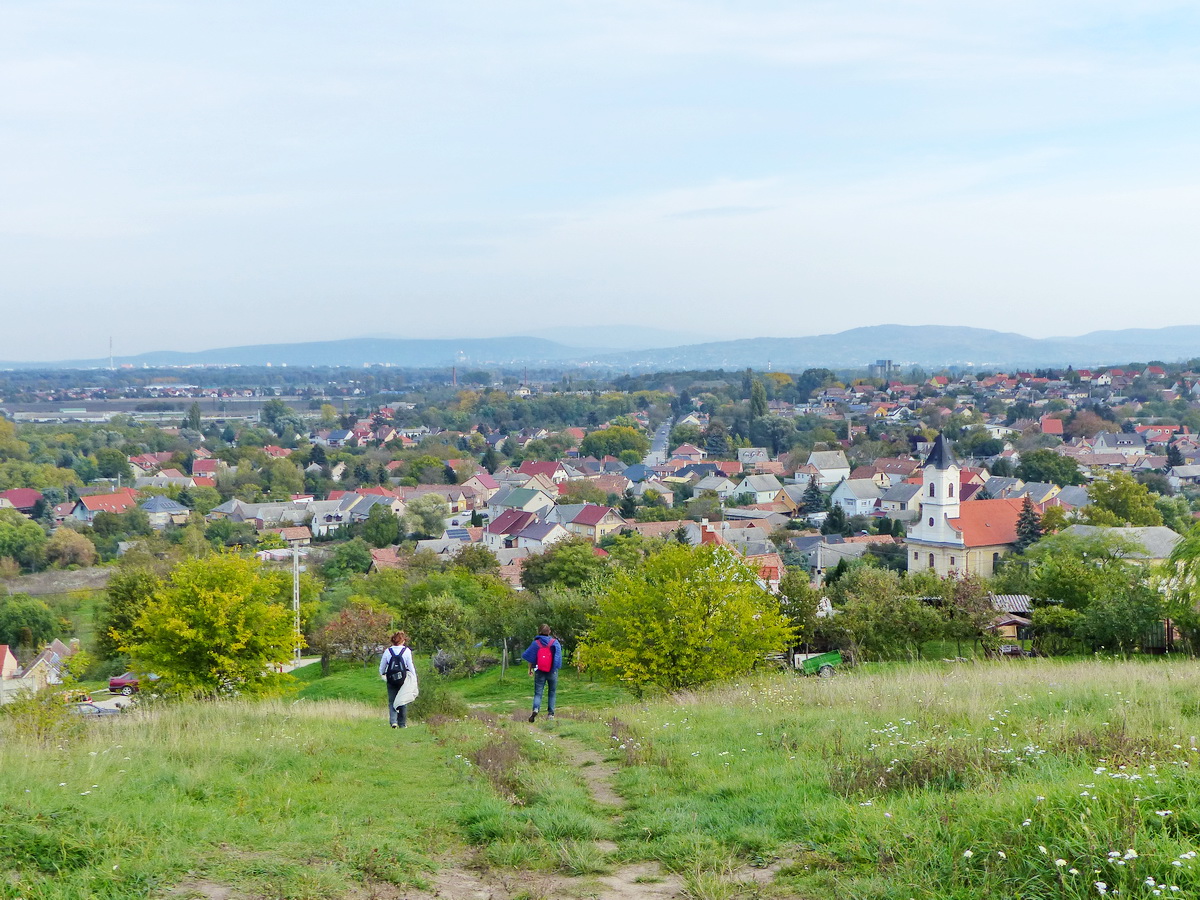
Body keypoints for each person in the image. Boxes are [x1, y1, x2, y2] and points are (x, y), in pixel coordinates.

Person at [521, 624, 561, 722]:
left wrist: (530, 669)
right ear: (549, 632)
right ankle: (551, 714)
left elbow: (530, 657)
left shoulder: (536, 643)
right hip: (552, 671)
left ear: (539, 632)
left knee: (538, 693)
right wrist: (555, 668)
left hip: (540, 671)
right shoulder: (555, 643)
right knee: (552, 692)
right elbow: (558, 657)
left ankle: (536, 709)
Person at [379, 631, 417, 728]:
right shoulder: (406, 651)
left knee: (392, 701)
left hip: (391, 679)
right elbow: (410, 665)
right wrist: (414, 677)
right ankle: (402, 724)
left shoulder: (388, 651)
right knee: (402, 700)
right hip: (403, 679)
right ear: (403, 640)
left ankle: (393, 722)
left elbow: (382, 667)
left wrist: (382, 674)